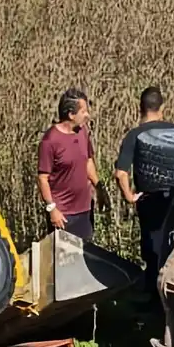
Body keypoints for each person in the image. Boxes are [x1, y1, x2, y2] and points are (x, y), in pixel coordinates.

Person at [114, 86, 174, 296]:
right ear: (162, 107)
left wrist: (130, 197)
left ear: (140, 108)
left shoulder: (134, 135)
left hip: (148, 201)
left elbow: (120, 173)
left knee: (151, 249)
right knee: (172, 248)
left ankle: (152, 296)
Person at [37, 88, 100, 242]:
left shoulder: (83, 132)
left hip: (85, 210)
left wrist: (99, 186)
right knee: (64, 261)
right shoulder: (50, 141)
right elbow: (42, 179)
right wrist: (52, 209)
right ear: (71, 115)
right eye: (83, 111)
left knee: (85, 257)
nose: (87, 115)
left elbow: (88, 161)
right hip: (63, 215)